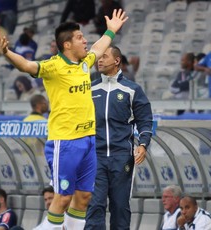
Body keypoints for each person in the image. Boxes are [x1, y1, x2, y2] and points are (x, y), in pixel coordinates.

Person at [0, 8, 128, 230]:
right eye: (79, 37)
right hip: (65, 142)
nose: (85, 41)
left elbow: (99, 47)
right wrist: (8, 52)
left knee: (84, 197)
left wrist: (111, 31)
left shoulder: (85, 63)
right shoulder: (53, 66)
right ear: (67, 45)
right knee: (63, 198)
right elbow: (28, 66)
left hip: (88, 140)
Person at [85, 45, 153, 230]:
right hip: (95, 157)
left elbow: (145, 120)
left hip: (122, 157)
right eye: (98, 56)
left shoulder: (132, 89)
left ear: (117, 60)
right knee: (95, 205)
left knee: (120, 207)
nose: (99, 59)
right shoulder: (89, 89)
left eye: (104, 56)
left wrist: (143, 144)